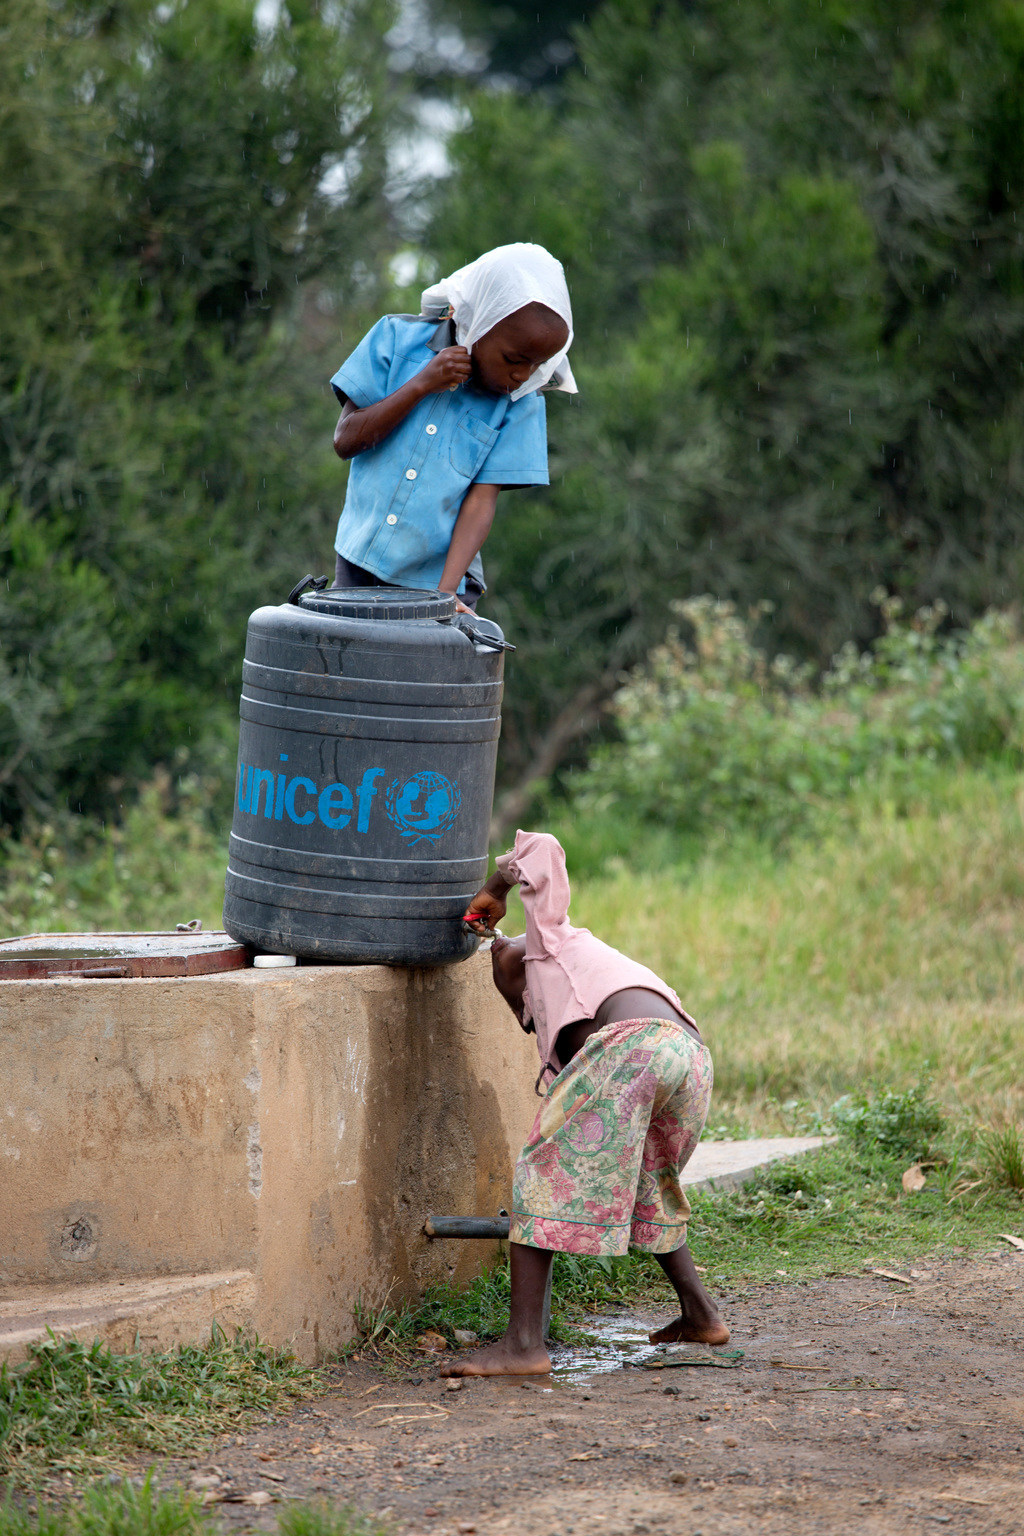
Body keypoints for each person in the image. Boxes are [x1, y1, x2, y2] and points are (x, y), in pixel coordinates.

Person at [447, 830, 729, 1377]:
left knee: (540, 1171)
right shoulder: (559, 1015)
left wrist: (496, 886)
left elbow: (542, 848)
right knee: (652, 1179)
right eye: (499, 958)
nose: (500, 945)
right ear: (525, 1001)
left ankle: (524, 1345)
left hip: (633, 1048)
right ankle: (702, 1314)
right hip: (689, 1056)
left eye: (505, 947)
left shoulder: (551, 939)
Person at [329, 244, 575, 613]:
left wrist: (444, 598)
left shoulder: (522, 401)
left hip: (444, 581)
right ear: (477, 321)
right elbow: (346, 441)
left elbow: (480, 501)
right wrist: (420, 385)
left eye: (537, 364)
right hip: (358, 564)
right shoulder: (394, 339)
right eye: (513, 359)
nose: (523, 375)